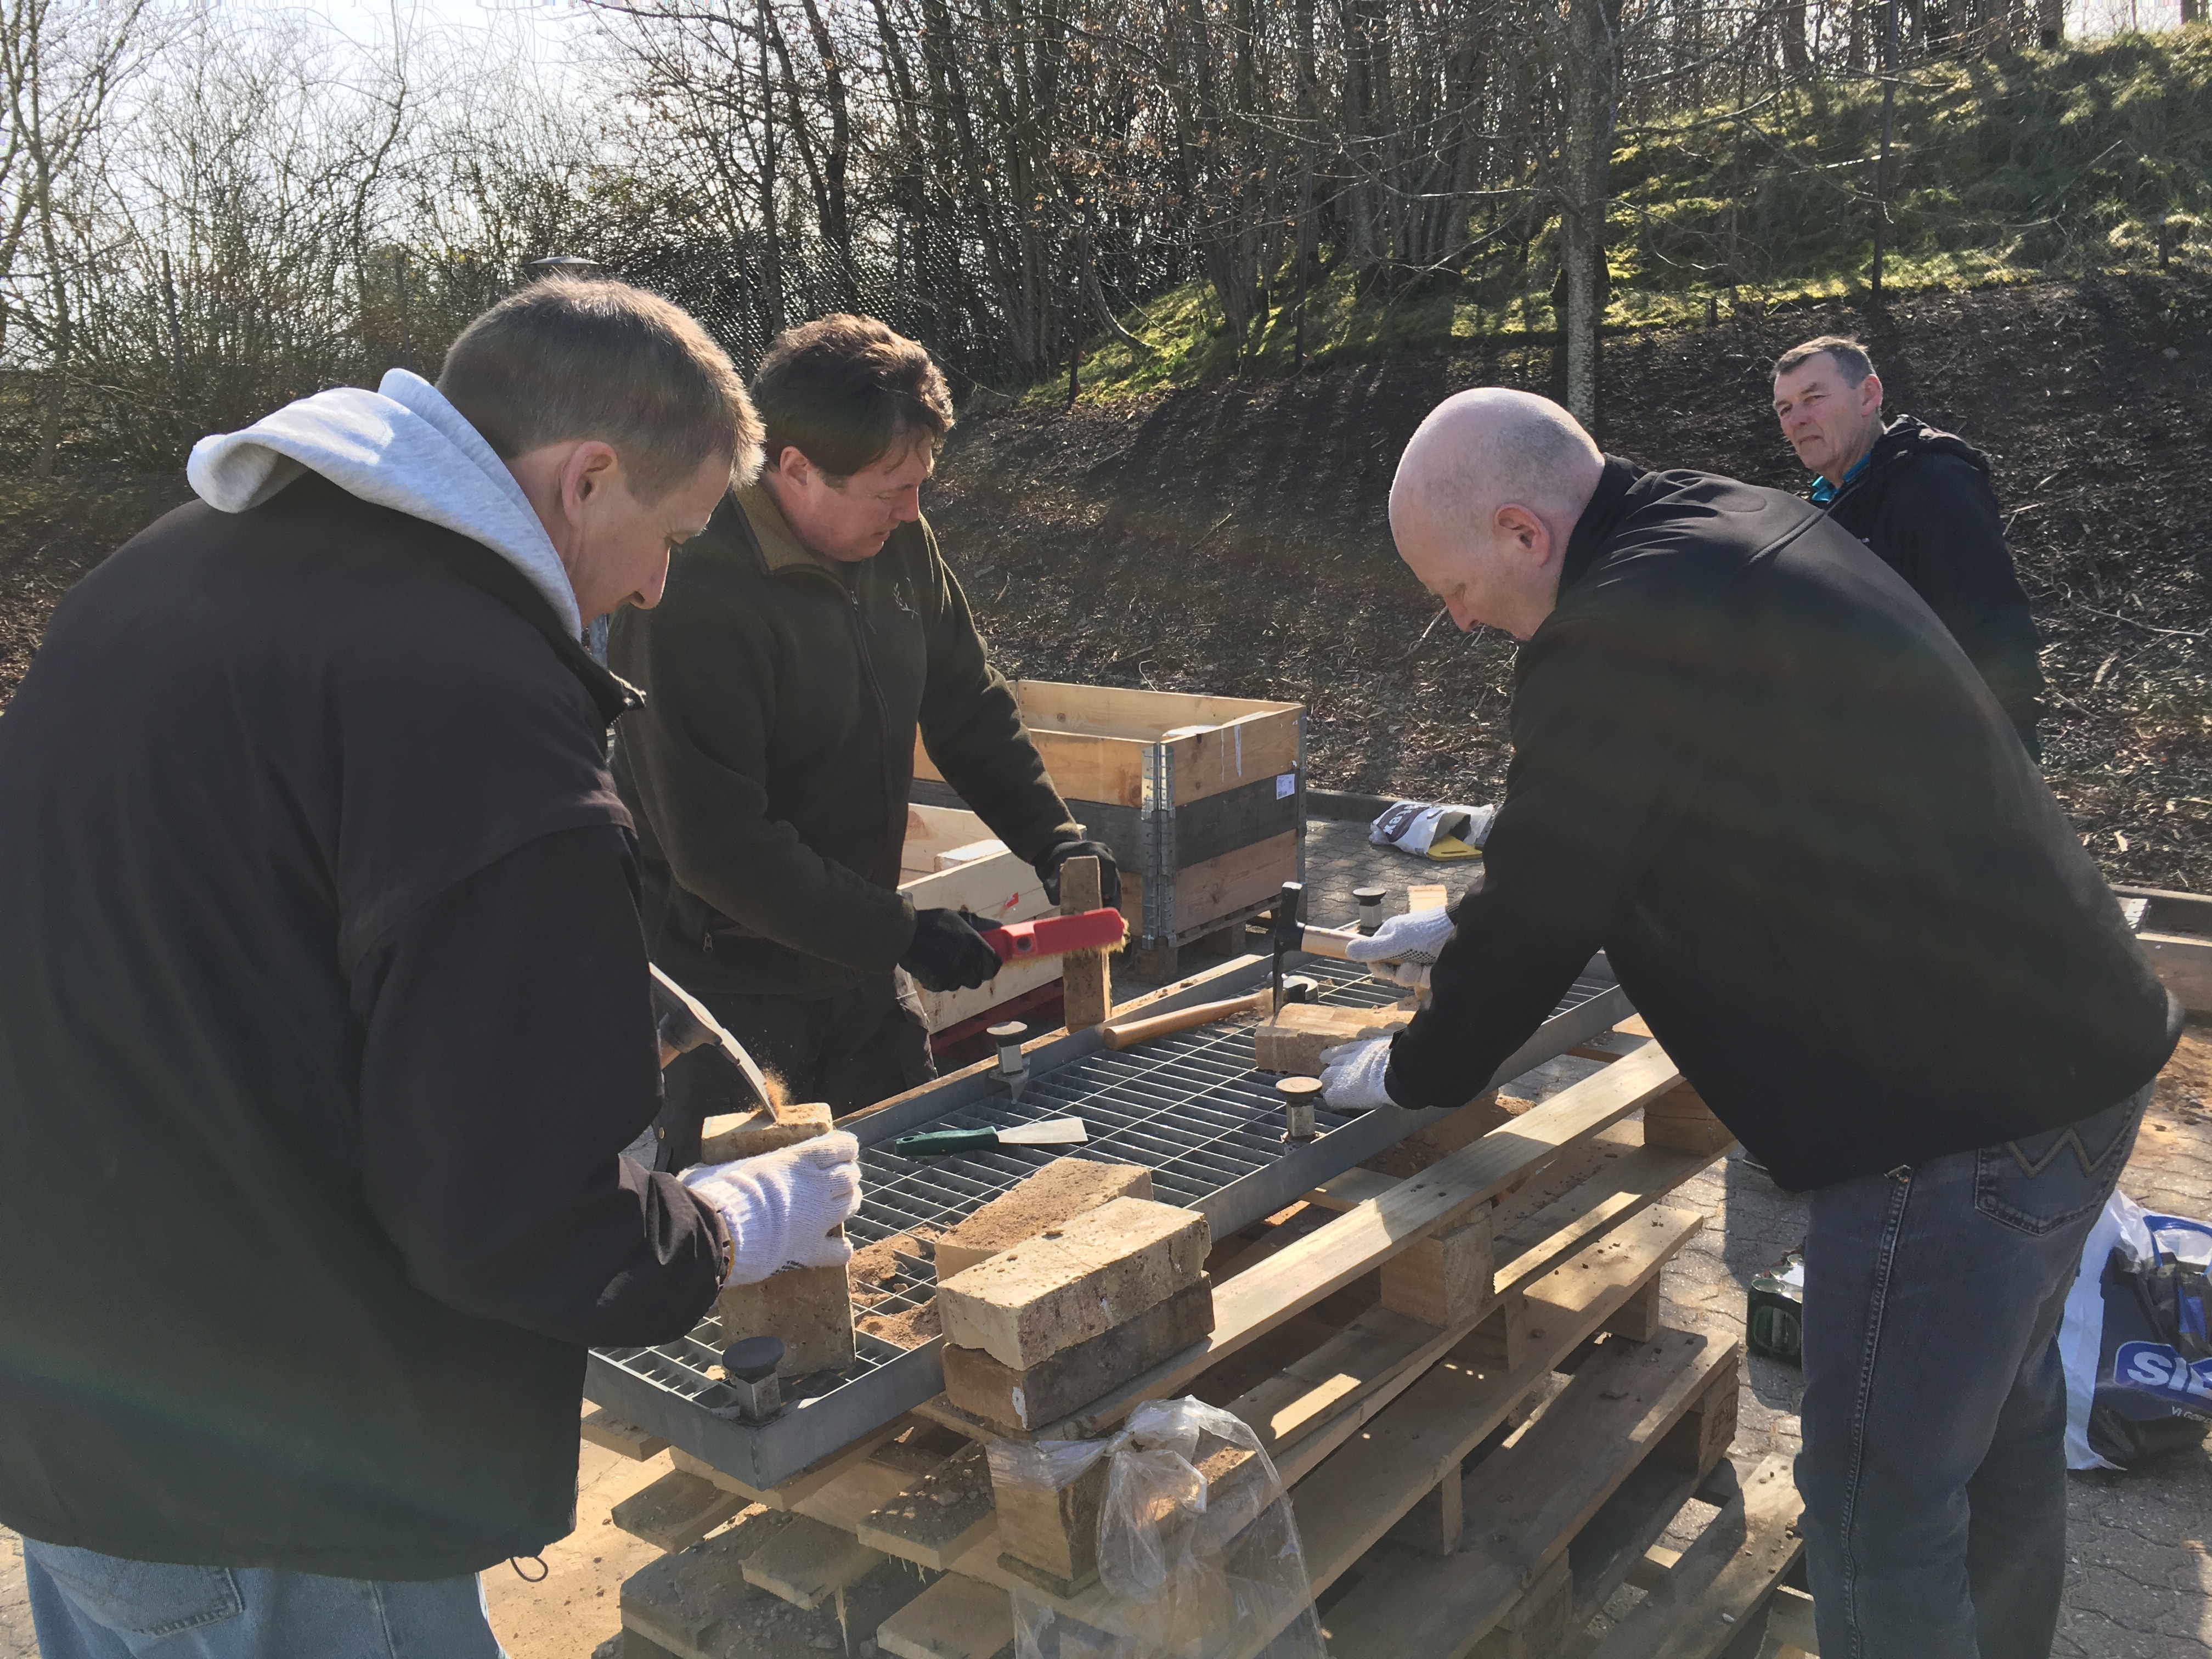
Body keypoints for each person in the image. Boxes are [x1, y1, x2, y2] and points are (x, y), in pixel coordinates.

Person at [0, 279, 864, 1659]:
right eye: (671, 536)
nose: (657, 586)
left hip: (69, 1416)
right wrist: (720, 1230)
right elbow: (507, 1219)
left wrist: (521, 972)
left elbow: (232, 929)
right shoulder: (476, 703)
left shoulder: (169, 568)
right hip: (286, 1483)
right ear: (588, 478)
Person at [1323, 388, 2179, 1659]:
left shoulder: (1613, 634)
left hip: (1954, 1126)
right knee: (2001, 1433)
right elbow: (1647, 807)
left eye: (1454, 589)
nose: (1459, 619)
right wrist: (1458, 917)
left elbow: (1549, 902)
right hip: (2083, 1054)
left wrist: (1409, 1070)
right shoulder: (1727, 527)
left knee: (1878, 1511)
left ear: (1521, 532)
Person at [610, 313, 1116, 1127]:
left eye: (919, 485)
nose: (912, 512)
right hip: (729, 992)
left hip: (859, 964)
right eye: (890, 490)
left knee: (910, 1169)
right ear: (796, 468)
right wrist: (901, 933)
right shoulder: (693, 590)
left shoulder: (899, 545)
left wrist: (1053, 839)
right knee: (748, 1203)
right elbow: (720, 847)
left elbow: (967, 703)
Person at [1770, 334, 2046, 754]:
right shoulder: (1824, 506)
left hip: (1954, 753)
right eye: (1785, 409)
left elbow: (1991, 622)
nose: (1797, 420)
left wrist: (2011, 752)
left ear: (1868, 396)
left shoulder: (1934, 484)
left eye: (1813, 398)